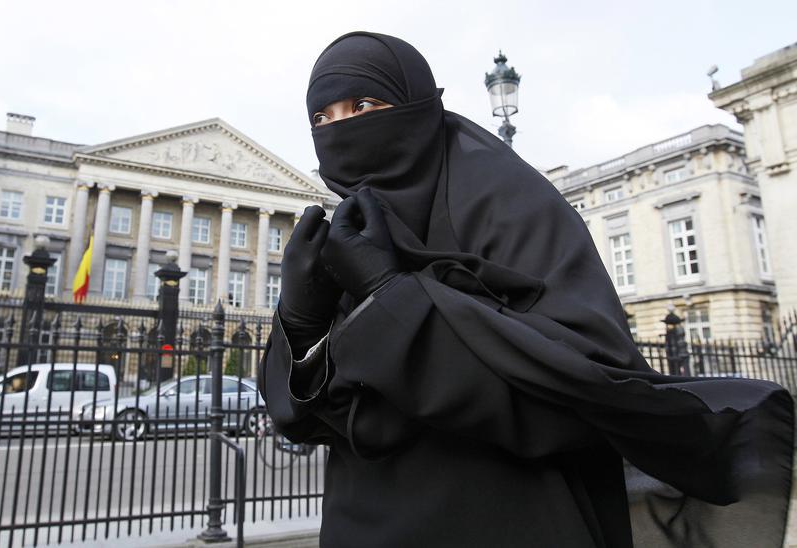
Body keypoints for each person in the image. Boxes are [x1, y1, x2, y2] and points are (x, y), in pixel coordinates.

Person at [260, 31, 794, 548]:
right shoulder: (353, 234)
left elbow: (582, 391)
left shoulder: (513, 208)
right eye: (321, 117)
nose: (340, 129)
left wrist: (388, 296)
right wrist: (300, 324)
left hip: (514, 517)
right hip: (366, 522)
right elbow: (314, 424)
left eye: (364, 105)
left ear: (417, 105)